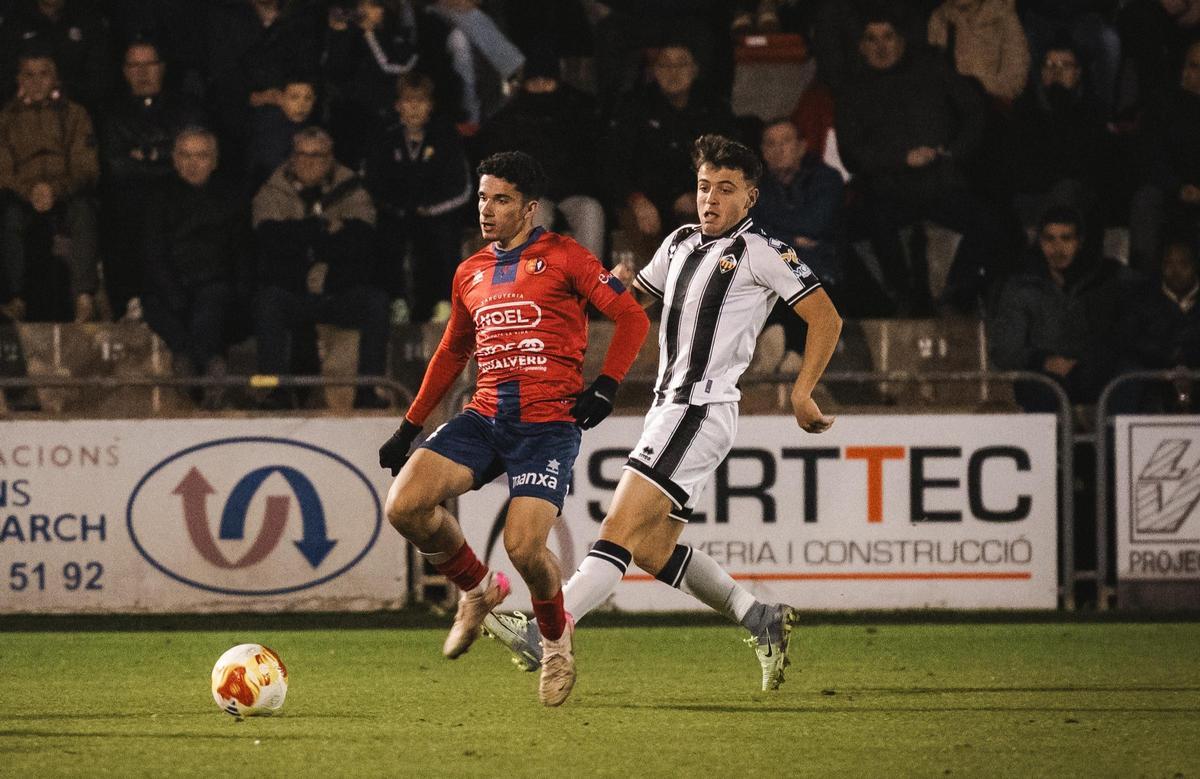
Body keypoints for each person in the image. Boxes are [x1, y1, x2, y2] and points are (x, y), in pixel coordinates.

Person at [483, 135, 843, 704]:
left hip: (700, 410)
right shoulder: (677, 244)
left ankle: (546, 628)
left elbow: (825, 317)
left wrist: (802, 392)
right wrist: (594, 290)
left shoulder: (762, 251)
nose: (711, 199)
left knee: (615, 532)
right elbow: (631, 300)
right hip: (668, 409)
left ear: (750, 197)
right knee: (649, 549)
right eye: (704, 187)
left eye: (726, 189)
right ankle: (759, 617)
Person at [376, 151, 650, 707]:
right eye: (482, 197)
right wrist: (410, 427)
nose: (487, 209)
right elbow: (454, 349)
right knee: (403, 506)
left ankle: (555, 644)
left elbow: (632, 316)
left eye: (500, 200)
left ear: (528, 207)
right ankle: (478, 590)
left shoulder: (567, 257)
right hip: (483, 418)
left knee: (525, 548)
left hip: (547, 426)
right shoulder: (470, 272)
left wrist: (606, 384)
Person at [251, 126, 390, 410]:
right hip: (294, 291)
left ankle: (367, 391)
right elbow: (269, 242)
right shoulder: (273, 189)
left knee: (376, 303)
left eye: (318, 155)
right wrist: (325, 230)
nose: (309, 162)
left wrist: (303, 241)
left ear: (330, 158)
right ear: (292, 157)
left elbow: (361, 243)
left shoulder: (350, 188)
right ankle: (274, 392)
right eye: (302, 155)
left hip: (338, 291)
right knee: (267, 303)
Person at [142, 128, 247, 409]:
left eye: (201, 156)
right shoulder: (157, 197)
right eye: (186, 155)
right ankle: (206, 365)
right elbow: (154, 252)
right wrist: (173, 292)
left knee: (209, 309)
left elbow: (240, 252)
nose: (192, 163)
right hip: (168, 287)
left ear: (214, 160)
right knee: (158, 306)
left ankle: (195, 369)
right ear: (175, 160)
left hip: (214, 285)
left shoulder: (231, 198)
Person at [988, 205, 1128, 411]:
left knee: (1126, 380)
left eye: (1066, 239)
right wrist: (1044, 361)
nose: (1058, 248)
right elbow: (1005, 349)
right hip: (1041, 379)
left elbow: (1119, 336)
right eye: (1050, 239)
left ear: (1079, 242)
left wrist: (1086, 362)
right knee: (1047, 389)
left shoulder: (1104, 280)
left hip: (1093, 373)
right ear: (1040, 241)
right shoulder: (1022, 286)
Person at [0, 48, 99, 323]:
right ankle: (16, 299)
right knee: (10, 218)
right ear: (19, 79)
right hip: (22, 195)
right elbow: (3, 170)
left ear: (55, 78)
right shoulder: (6, 118)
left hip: (66, 192)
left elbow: (87, 167)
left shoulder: (75, 114)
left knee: (83, 211)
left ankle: (84, 297)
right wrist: (29, 191)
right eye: (29, 75)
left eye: (43, 74)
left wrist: (55, 190)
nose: (36, 82)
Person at [364, 71, 471, 324]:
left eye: (420, 101)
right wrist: (395, 206)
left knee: (443, 238)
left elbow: (461, 187)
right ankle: (396, 302)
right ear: (398, 105)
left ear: (430, 105)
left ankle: (443, 303)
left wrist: (430, 208)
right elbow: (374, 181)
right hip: (396, 211)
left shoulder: (445, 136)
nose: (414, 107)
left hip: (437, 212)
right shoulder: (385, 138)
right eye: (408, 101)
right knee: (387, 236)